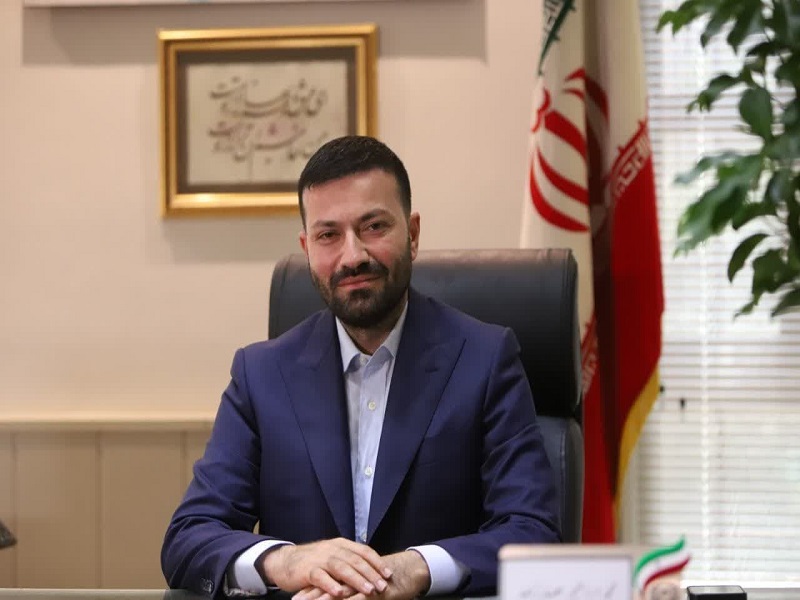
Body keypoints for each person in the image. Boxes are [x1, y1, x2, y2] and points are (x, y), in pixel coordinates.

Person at [161, 136, 561, 600]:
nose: (352, 256)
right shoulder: (261, 373)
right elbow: (189, 536)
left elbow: (533, 532)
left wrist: (416, 568)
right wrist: (287, 561)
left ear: (412, 234)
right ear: (307, 248)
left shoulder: (485, 359)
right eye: (328, 235)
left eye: (373, 226)